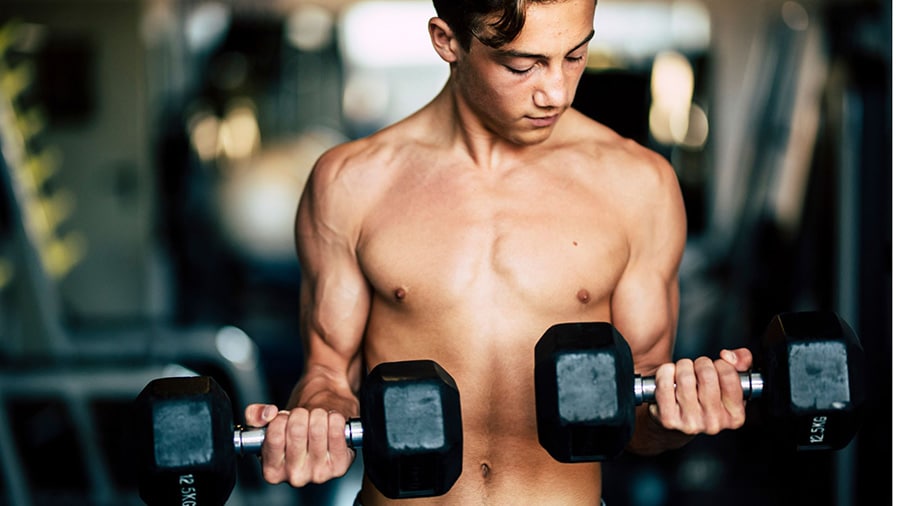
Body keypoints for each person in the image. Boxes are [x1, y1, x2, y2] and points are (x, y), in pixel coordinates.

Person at [244, 0, 754, 504]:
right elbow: (328, 375)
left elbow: (641, 422)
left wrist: (681, 409)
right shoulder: (352, 183)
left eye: (575, 56)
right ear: (447, 41)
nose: (555, 92)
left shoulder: (638, 185)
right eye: (522, 64)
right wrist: (315, 422)